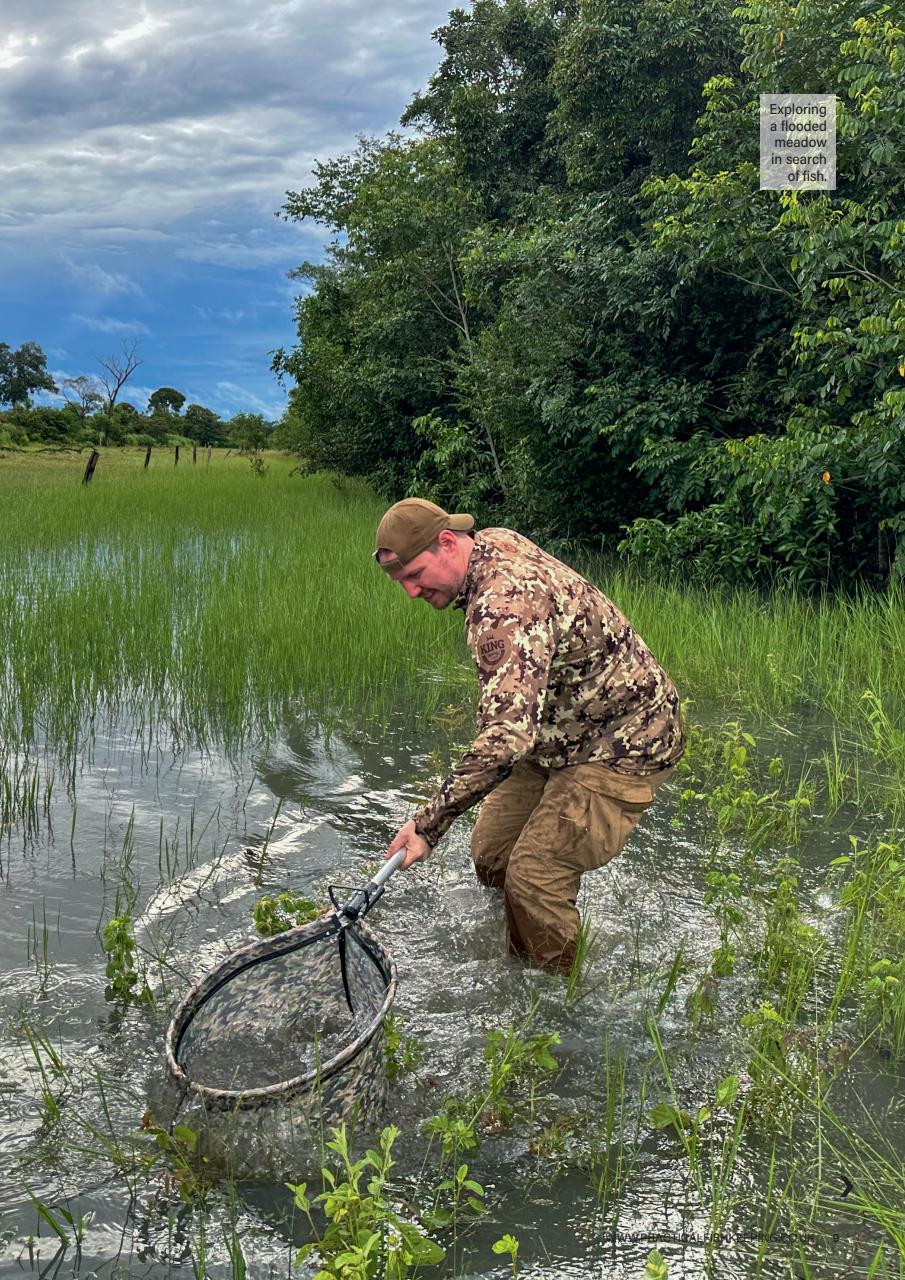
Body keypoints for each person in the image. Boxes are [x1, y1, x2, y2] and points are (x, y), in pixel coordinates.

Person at [375, 497, 685, 974]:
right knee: (493, 855)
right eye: (402, 583)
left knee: (533, 877)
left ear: (446, 543)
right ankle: (524, 947)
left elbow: (505, 737)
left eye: (416, 575)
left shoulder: (502, 604)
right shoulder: (486, 543)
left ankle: (557, 996)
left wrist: (427, 825)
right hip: (556, 729)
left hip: (626, 737)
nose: (412, 593)